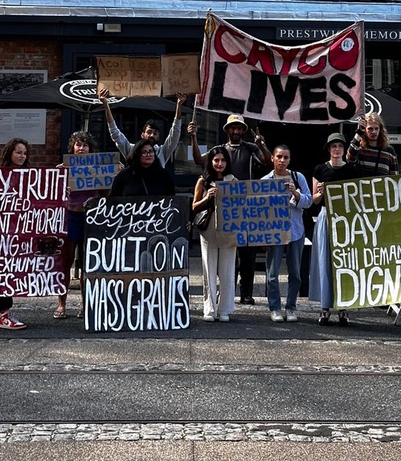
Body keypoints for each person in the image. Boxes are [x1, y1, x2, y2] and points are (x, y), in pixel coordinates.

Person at [214, 113, 272, 304]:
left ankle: (246, 293)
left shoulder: (251, 147)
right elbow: (199, 160)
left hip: (247, 205)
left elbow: (268, 161)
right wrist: (194, 137)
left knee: (248, 253)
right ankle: (226, 292)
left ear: (243, 130)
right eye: (233, 128)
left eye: (239, 128)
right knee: (228, 252)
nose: (236, 131)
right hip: (226, 205)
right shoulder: (220, 150)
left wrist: (261, 143)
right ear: (228, 130)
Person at [309, 132, 358, 326]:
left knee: (344, 261)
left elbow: (356, 198)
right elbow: (314, 200)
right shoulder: (320, 169)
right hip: (325, 216)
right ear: (329, 149)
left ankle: (343, 308)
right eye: (333, 146)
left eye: (339, 146)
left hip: (345, 219)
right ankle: (324, 308)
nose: (336, 149)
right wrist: (320, 192)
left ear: (344, 149)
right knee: (324, 261)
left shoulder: (352, 170)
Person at [262, 144, 312, 323]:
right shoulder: (265, 181)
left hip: (295, 231)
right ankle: (275, 308)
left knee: (296, 273)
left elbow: (309, 201)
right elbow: (260, 211)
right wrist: (263, 235)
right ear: (272, 158)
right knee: (273, 273)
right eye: (279, 157)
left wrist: (296, 194)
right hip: (274, 232)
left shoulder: (298, 178)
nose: (282, 160)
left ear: (289, 160)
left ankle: (291, 307)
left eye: (286, 157)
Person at [53, 131, 98, 320]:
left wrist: (114, 172)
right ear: (72, 147)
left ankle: (85, 304)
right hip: (70, 218)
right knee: (66, 263)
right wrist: (60, 186)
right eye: (78, 145)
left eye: (85, 145)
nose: (82, 149)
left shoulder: (99, 167)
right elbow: (51, 196)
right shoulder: (61, 169)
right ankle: (61, 304)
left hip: (90, 219)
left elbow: (106, 192)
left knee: (88, 266)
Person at [192, 147, 237, 321]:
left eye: (223, 160)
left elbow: (242, 204)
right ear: (210, 162)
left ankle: (225, 309)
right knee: (208, 268)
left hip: (228, 228)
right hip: (209, 227)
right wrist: (207, 197)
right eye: (216, 160)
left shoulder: (233, 180)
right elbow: (194, 206)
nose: (220, 164)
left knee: (227, 270)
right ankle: (209, 309)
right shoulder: (203, 181)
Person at [0, 138, 31, 330]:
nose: (22, 156)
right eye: (18, 152)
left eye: (24, 153)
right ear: (9, 153)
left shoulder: (30, 175)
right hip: (1, 232)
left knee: (12, 271)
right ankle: (3, 312)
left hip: (20, 233)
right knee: (1, 269)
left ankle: (1, 311)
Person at [99, 88, 186, 168]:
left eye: (155, 133)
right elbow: (115, 134)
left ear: (158, 137)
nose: (152, 135)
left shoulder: (162, 151)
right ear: (142, 135)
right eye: (149, 132)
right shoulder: (132, 150)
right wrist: (106, 105)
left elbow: (175, 132)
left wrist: (179, 105)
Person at [109, 139, 176, 198]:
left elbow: (172, 199)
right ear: (137, 155)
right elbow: (114, 199)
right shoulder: (124, 175)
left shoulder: (163, 175)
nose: (148, 155)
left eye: (151, 151)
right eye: (144, 152)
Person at [345, 113, 398, 177]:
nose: (374, 132)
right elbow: (350, 159)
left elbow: (394, 177)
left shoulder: (389, 151)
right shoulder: (359, 148)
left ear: (380, 129)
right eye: (370, 129)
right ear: (365, 130)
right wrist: (359, 133)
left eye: (376, 128)